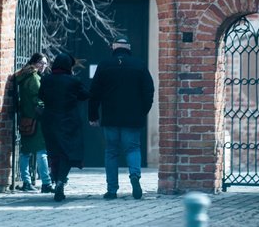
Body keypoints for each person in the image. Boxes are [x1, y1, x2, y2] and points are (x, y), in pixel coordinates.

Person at [88, 36, 154, 200]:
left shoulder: (104, 65)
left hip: (110, 117)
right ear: (128, 49)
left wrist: (93, 115)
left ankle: (112, 190)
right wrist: (143, 111)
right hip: (133, 118)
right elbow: (148, 91)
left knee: (111, 152)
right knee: (133, 149)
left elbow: (94, 92)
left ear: (114, 48)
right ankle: (134, 176)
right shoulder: (139, 65)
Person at [39, 52, 90, 202]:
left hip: (50, 121)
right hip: (69, 122)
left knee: (54, 152)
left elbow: (41, 95)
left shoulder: (46, 80)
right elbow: (86, 94)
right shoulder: (73, 81)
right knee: (67, 153)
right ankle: (61, 180)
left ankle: (56, 179)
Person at [14, 52, 54, 193]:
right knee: (41, 152)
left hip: (26, 119)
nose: (44, 65)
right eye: (41, 63)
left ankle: (26, 182)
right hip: (36, 120)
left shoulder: (23, 76)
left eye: (45, 63)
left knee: (25, 152)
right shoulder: (34, 78)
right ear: (34, 63)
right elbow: (38, 98)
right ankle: (46, 183)